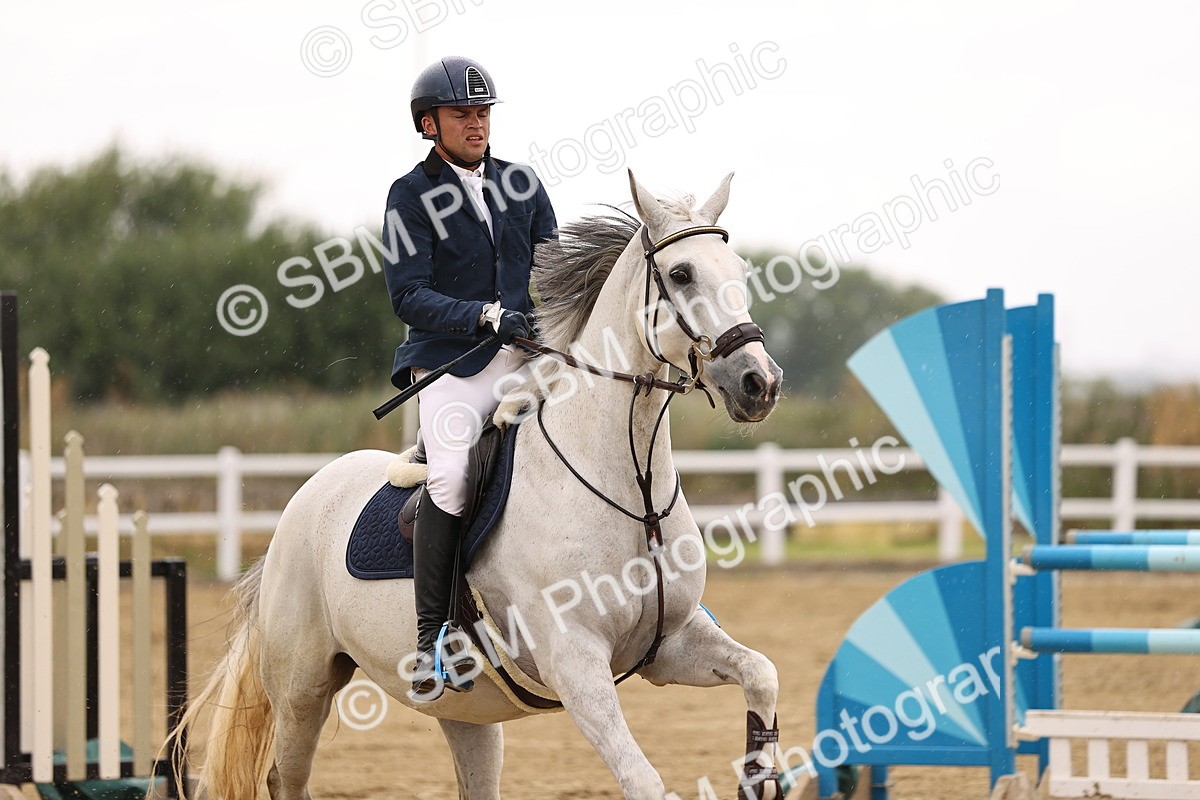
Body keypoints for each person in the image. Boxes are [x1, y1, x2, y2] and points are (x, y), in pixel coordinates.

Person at [382, 55, 557, 701]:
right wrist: (484, 314)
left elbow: (553, 268)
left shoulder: (522, 182)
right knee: (452, 475)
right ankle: (432, 636)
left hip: (526, 354)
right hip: (452, 362)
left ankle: (665, 592)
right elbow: (408, 294)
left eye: (482, 113)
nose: (477, 124)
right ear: (429, 124)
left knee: (607, 425)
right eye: (462, 114)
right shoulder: (408, 196)